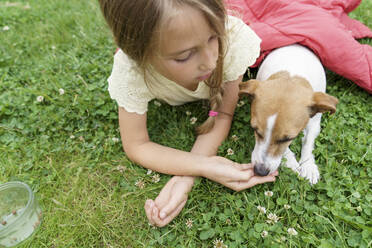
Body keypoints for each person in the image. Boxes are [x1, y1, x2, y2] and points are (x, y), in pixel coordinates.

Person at [98, 0, 278, 227]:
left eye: (213, 37)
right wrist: (204, 166)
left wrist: (185, 179)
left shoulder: (232, 40)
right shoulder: (132, 71)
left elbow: (221, 114)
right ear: (139, 53)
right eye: (184, 56)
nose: (210, 62)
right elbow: (136, 145)